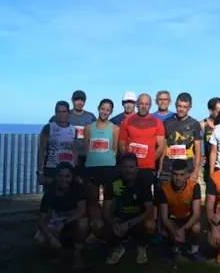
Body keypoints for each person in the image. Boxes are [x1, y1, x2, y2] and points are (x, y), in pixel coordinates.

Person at [102, 153, 156, 265]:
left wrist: (129, 224)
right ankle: (118, 247)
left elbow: (150, 211)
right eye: (125, 167)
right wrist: (113, 222)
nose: (128, 170)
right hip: (119, 220)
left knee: (150, 225)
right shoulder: (112, 183)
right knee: (98, 226)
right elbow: (106, 211)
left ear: (137, 168)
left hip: (137, 221)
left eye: (131, 167)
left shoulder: (144, 182)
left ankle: (142, 246)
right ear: (120, 168)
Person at [35, 162, 89, 268]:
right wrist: (50, 237)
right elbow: (41, 221)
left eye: (67, 176)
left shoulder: (77, 188)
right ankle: (59, 250)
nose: (63, 179)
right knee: (39, 239)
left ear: (72, 177)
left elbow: (81, 211)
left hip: (71, 220)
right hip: (55, 221)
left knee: (83, 222)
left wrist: (65, 222)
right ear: (56, 176)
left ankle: (78, 253)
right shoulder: (49, 192)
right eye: (60, 176)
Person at [157, 159, 205, 261]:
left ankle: (194, 250)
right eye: (175, 174)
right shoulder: (164, 189)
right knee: (165, 231)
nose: (178, 178)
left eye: (181, 175)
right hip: (172, 220)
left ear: (187, 175)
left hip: (187, 220)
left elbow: (196, 214)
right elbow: (164, 218)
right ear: (171, 174)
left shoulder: (194, 186)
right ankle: (174, 249)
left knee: (197, 227)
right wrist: (176, 232)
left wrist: (184, 229)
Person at [83, 98, 120, 232]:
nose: (105, 112)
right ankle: (95, 226)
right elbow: (86, 149)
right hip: (92, 167)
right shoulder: (88, 128)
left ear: (111, 112)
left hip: (109, 168)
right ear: (98, 108)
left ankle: (107, 225)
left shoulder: (115, 128)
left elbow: (115, 149)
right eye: (103, 109)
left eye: (108, 110)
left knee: (108, 199)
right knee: (93, 199)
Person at [119, 93, 165, 189]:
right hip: (129, 169)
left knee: (146, 199)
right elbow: (121, 145)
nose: (144, 106)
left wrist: (150, 160)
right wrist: (129, 163)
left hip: (147, 168)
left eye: (146, 104)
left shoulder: (157, 122)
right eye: (141, 103)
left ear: (150, 106)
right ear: (137, 105)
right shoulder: (128, 120)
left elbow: (161, 147)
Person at [49, 90, 97, 180]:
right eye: (76, 100)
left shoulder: (90, 117)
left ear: (85, 101)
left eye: (82, 100)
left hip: (84, 156)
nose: (79, 102)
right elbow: (52, 125)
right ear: (72, 100)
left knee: (83, 183)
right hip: (67, 156)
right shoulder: (66, 114)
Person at [159, 92, 202, 184]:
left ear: (189, 108)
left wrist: (196, 171)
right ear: (175, 105)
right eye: (179, 106)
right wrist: (160, 168)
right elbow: (163, 147)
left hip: (187, 170)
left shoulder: (195, 124)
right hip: (168, 169)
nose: (181, 109)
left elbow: (198, 150)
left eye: (185, 107)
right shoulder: (167, 122)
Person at [38, 101, 77, 186]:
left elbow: (74, 152)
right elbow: (41, 151)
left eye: (64, 111)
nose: (61, 114)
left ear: (68, 113)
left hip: (68, 169)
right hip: (52, 168)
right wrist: (40, 173)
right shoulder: (48, 128)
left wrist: (76, 171)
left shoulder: (73, 129)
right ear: (55, 113)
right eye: (59, 111)